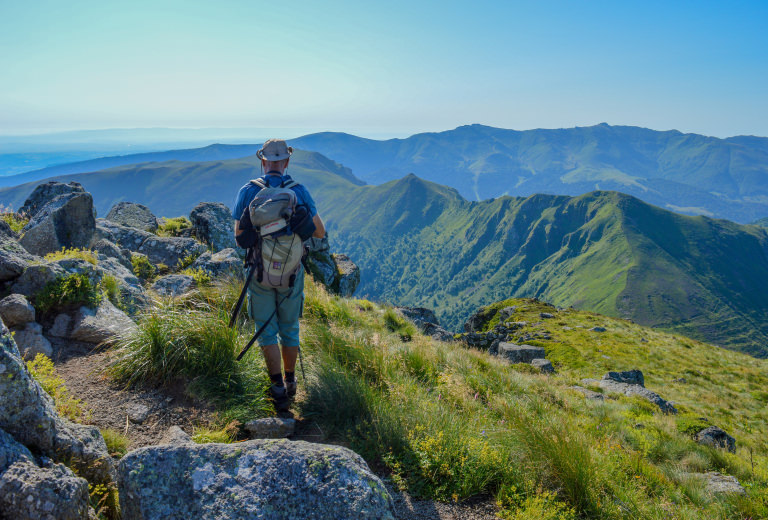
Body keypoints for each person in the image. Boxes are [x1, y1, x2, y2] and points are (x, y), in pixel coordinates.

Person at [232, 139, 325, 411]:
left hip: (259, 273)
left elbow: (240, 238)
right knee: (290, 328)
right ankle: (292, 381)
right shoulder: (299, 191)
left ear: (263, 161)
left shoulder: (248, 191)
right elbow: (319, 232)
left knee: (266, 329)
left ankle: (276, 388)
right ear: (286, 162)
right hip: (291, 273)